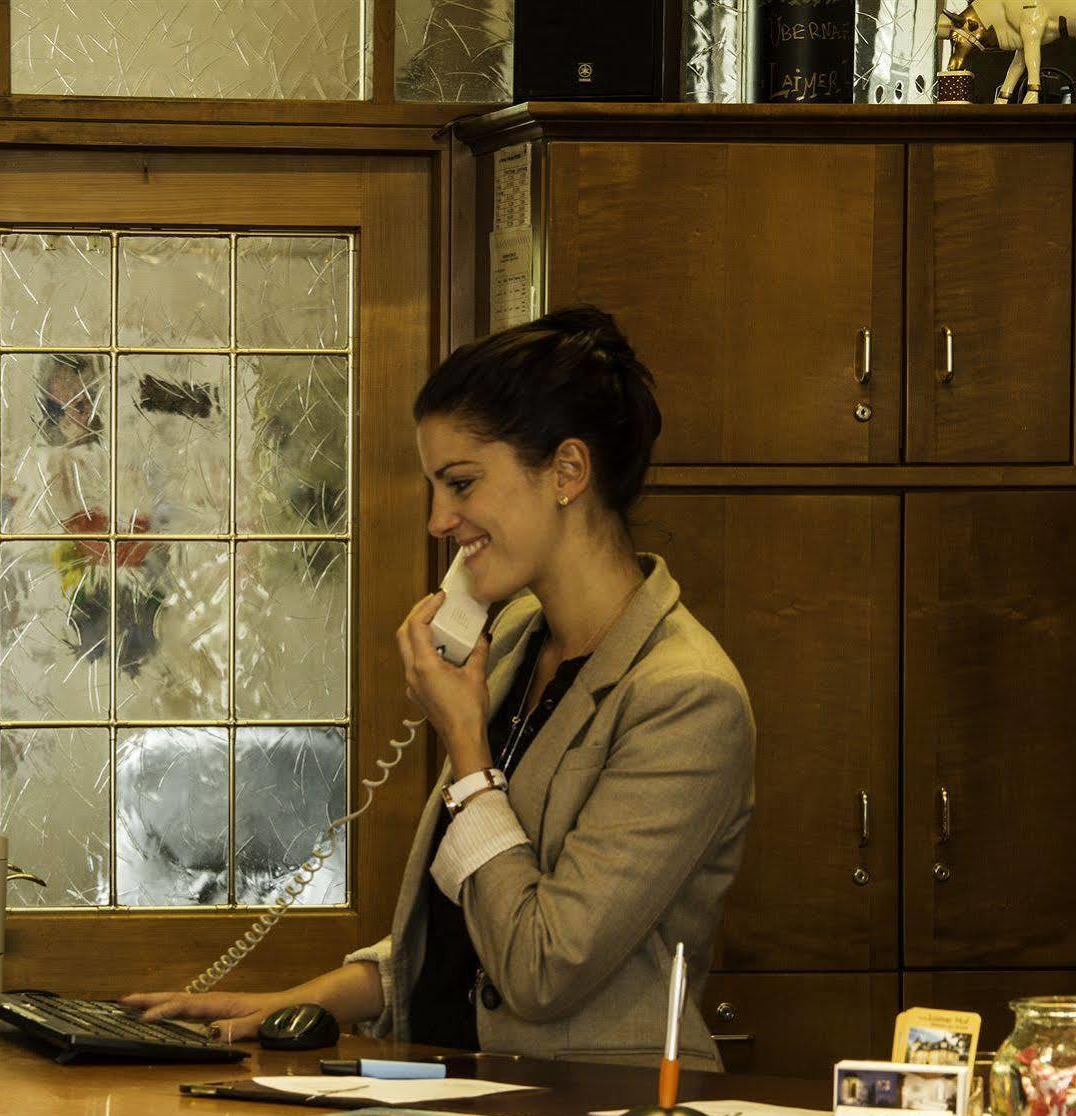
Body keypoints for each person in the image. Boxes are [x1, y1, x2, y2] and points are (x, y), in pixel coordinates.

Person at [123, 306, 755, 1070]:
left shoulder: (684, 696)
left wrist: (466, 750)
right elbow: (476, 921)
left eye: (459, 483)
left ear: (566, 472)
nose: (437, 520)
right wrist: (296, 1001)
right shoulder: (516, 640)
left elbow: (541, 965)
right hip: (454, 1092)